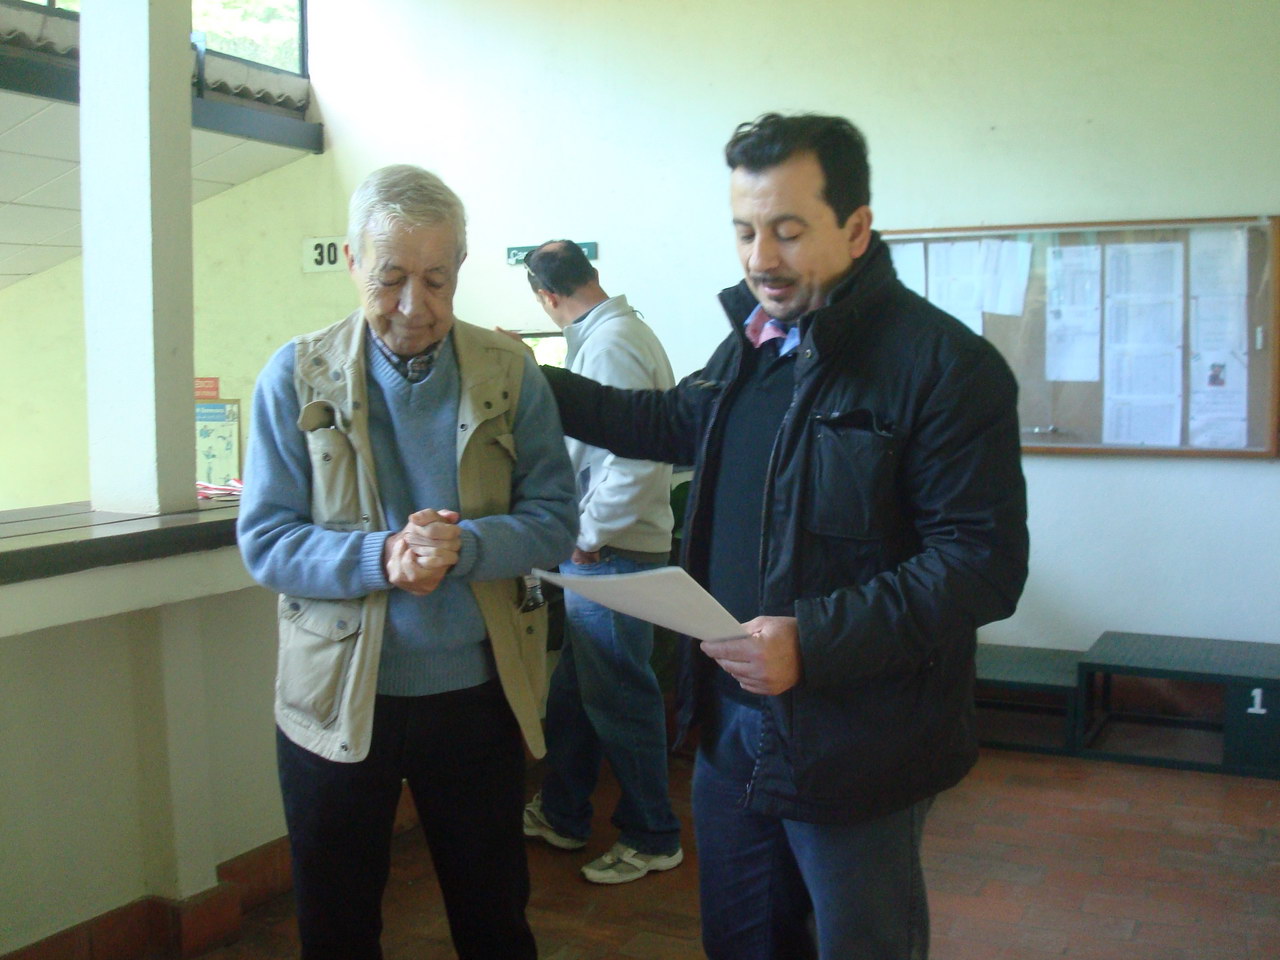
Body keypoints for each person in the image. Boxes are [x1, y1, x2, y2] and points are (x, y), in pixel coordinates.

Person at [540, 114, 1029, 959]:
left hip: (861, 740)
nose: (760, 257)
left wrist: (813, 640)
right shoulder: (754, 350)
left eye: (789, 230)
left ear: (856, 229)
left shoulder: (945, 367)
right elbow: (663, 420)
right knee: (741, 941)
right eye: (745, 231)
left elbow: (981, 564)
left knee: (861, 945)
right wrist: (521, 379)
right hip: (733, 724)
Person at [237, 164, 578, 960]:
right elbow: (267, 540)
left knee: (494, 920)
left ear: (460, 269)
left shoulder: (509, 373)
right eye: (389, 278)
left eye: (436, 280)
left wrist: (467, 547)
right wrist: (381, 556)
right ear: (352, 260)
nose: (413, 306)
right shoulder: (295, 375)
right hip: (336, 698)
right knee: (337, 926)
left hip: (477, 695)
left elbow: (555, 521)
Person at [518, 240, 682, 884]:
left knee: (620, 697)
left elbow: (637, 456)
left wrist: (587, 534)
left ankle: (654, 836)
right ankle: (562, 813)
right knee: (575, 697)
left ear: (546, 297)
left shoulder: (612, 343)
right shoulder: (610, 334)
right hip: (605, 547)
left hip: (612, 550)